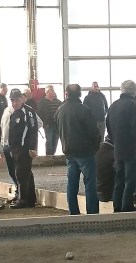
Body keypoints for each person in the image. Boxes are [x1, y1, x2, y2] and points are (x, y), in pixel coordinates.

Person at [56, 84, 100, 215]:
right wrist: (95, 147)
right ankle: (92, 213)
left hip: (69, 151)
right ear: (80, 94)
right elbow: (94, 132)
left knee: (72, 183)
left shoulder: (60, 110)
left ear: (66, 94)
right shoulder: (84, 110)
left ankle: (73, 212)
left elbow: (58, 130)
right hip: (85, 152)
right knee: (90, 183)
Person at [106, 80, 136, 212]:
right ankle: (127, 208)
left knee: (119, 181)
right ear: (135, 92)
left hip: (118, 149)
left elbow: (109, 128)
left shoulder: (113, 105)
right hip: (133, 150)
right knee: (131, 181)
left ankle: (117, 207)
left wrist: (116, 141)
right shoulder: (134, 105)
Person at [7, 88, 39, 209]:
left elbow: (33, 130)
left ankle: (23, 199)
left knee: (21, 174)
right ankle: (30, 199)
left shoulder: (28, 112)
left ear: (21, 99)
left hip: (24, 149)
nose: (14, 103)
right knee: (26, 173)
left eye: (16, 100)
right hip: (15, 148)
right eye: (12, 101)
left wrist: (32, 148)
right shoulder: (15, 112)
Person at [37, 85, 63, 156]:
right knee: (49, 140)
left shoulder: (58, 102)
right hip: (48, 125)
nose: (53, 92)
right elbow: (40, 113)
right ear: (47, 92)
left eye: (53, 90)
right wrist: (45, 123)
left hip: (57, 124)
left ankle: (52, 154)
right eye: (52, 90)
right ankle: (48, 156)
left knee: (55, 140)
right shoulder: (41, 102)